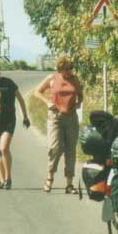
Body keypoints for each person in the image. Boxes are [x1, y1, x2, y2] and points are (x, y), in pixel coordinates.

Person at [34, 56, 83, 194]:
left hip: (71, 117)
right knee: (55, 148)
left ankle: (69, 183)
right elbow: (37, 91)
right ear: (60, 69)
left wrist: (79, 103)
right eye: (67, 69)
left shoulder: (74, 79)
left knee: (70, 150)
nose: (69, 71)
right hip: (55, 117)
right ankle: (49, 177)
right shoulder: (52, 78)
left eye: (71, 68)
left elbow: (80, 94)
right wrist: (47, 102)